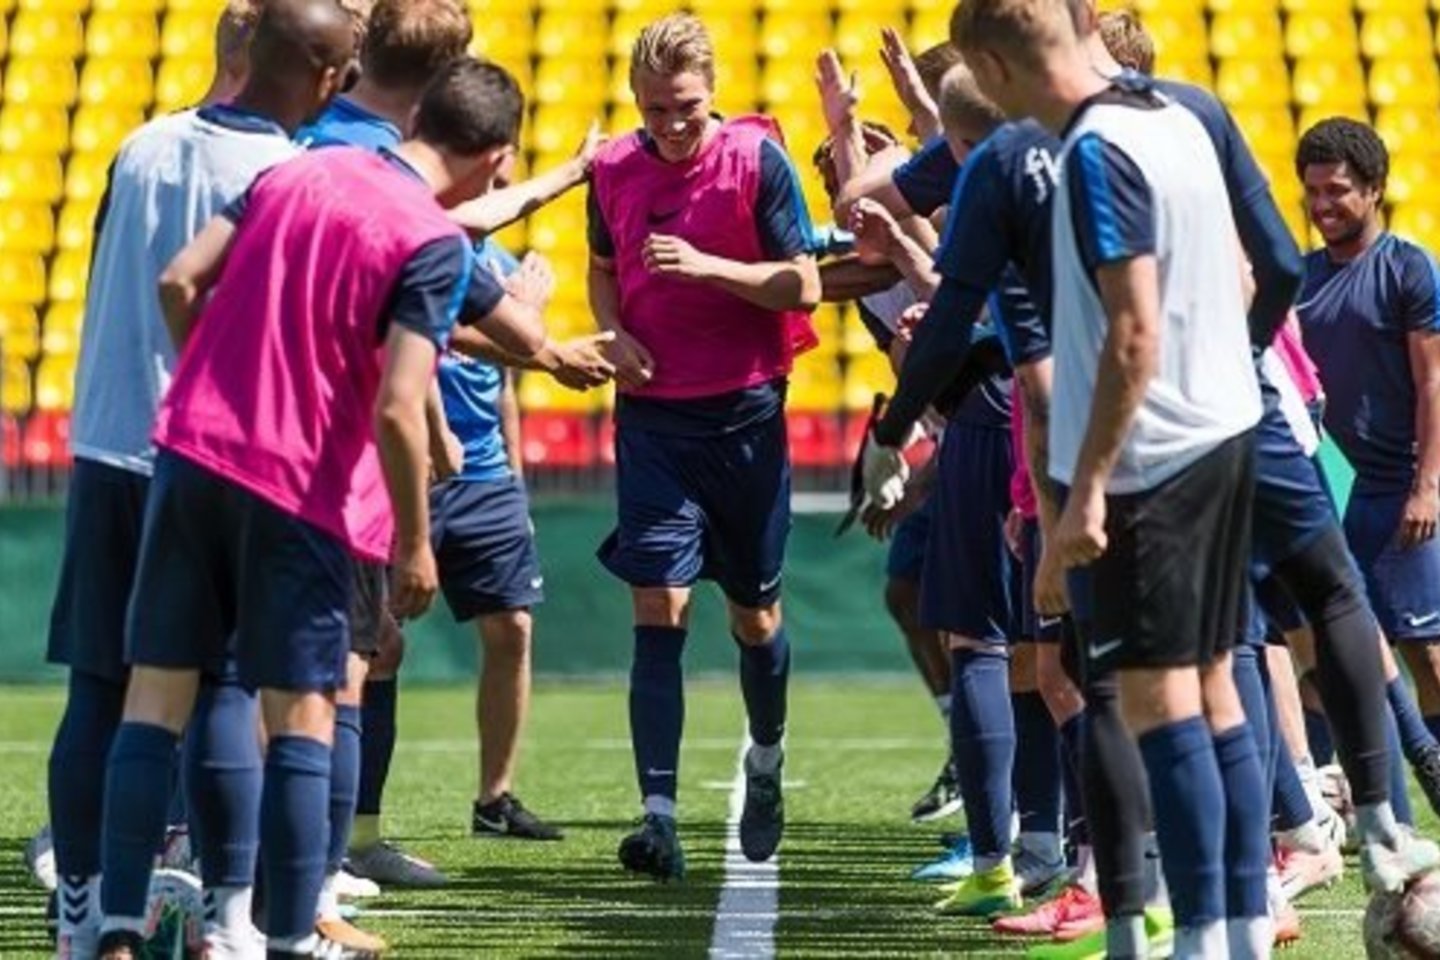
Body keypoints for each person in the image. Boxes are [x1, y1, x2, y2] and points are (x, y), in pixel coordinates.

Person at [94, 57, 545, 959]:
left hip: (190, 451)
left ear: (416, 117)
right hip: (296, 481)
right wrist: (415, 541)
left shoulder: (294, 168)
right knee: (306, 712)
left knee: (161, 696)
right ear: (496, 159)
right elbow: (399, 405)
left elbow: (180, 281)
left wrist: (216, 387)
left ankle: (117, 927)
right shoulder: (431, 238)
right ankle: (293, 937)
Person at [952, 0, 1271, 956]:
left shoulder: (1094, 150)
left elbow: (1131, 332)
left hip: (1153, 459)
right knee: (1214, 691)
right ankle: (1241, 925)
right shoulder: (1181, 113)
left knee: (1153, 701)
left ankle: (1199, 933)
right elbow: (1263, 272)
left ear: (993, 69)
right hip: (1227, 431)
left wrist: (1083, 492)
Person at [42, 1, 327, 955]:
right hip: (211, 453)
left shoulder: (138, 148)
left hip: (107, 439)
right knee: (223, 691)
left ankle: (83, 910)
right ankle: (231, 916)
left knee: (99, 688)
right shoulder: (283, 171)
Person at [587, 12, 821, 879]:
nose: (672, 124)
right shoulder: (613, 168)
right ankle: (658, 819)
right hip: (653, 421)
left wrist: (708, 266)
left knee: (755, 618)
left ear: (712, 91)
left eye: (685, 106)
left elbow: (805, 283)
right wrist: (613, 334)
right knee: (658, 604)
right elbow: (602, 269)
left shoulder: (758, 160)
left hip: (746, 417)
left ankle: (767, 757)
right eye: (655, 109)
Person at [1296, 114, 1440, 838]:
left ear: (1375, 189)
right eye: (1314, 191)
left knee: (1427, 654)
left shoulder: (1408, 268)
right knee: (1333, 655)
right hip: (1338, 490)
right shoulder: (1299, 279)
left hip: (1404, 487)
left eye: (1339, 190)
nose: (1323, 204)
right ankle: (1341, 803)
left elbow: (1433, 381)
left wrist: (1428, 485)